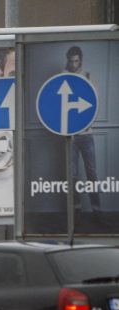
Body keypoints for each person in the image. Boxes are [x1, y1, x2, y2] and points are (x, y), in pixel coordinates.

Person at [64, 45, 101, 214]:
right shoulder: (62, 78)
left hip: (86, 134)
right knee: (72, 175)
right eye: (71, 61)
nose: (73, 64)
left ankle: (96, 208)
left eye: (76, 61)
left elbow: (94, 104)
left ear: (81, 61)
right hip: (70, 136)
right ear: (68, 60)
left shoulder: (87, 77)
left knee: (91, 173)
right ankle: (76, 208)